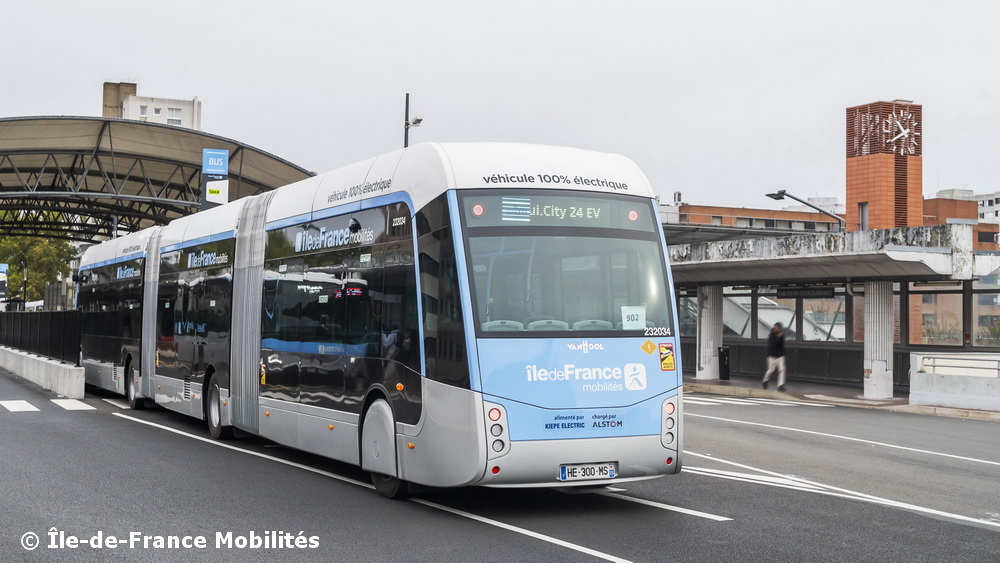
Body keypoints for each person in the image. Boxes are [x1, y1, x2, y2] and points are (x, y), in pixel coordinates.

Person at [762, 322, 787, 391]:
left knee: (782, 369)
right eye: (775, 327)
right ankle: (765, 380)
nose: (776, 329)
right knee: (771, 369)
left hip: (780, 355)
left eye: (778, 328)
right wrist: (778, 337)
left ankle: (780, 385)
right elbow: (772, 344)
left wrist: (784, 354)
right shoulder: (771, 335)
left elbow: (782, 345)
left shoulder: (781, 335)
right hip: (772, 355)